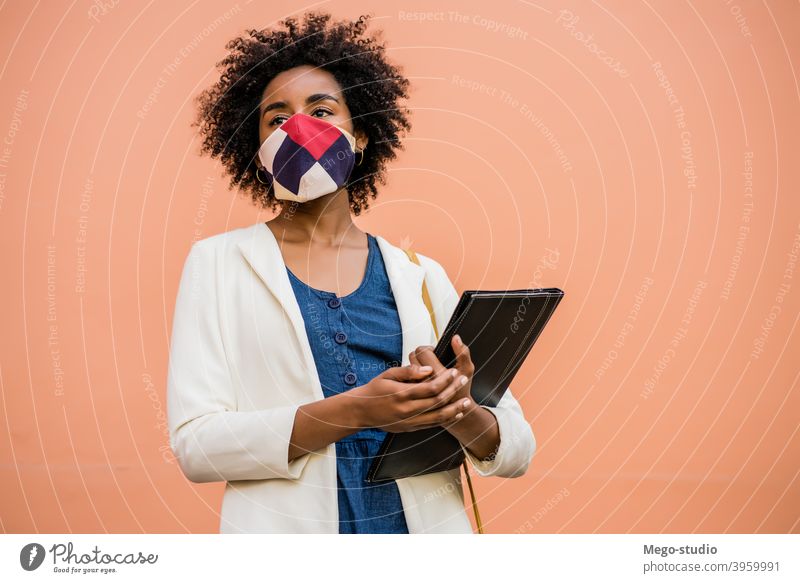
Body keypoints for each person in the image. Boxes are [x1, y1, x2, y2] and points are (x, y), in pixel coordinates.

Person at [167, 11, 536, 534]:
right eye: (277, 119)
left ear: (360, 135)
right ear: (258, 152)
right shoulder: (217, 266)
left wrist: (457, 411)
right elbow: (196, 446)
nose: (299, 127)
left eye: (322, 109)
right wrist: (355, 410)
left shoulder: (420, 276)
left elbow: (516, 449)